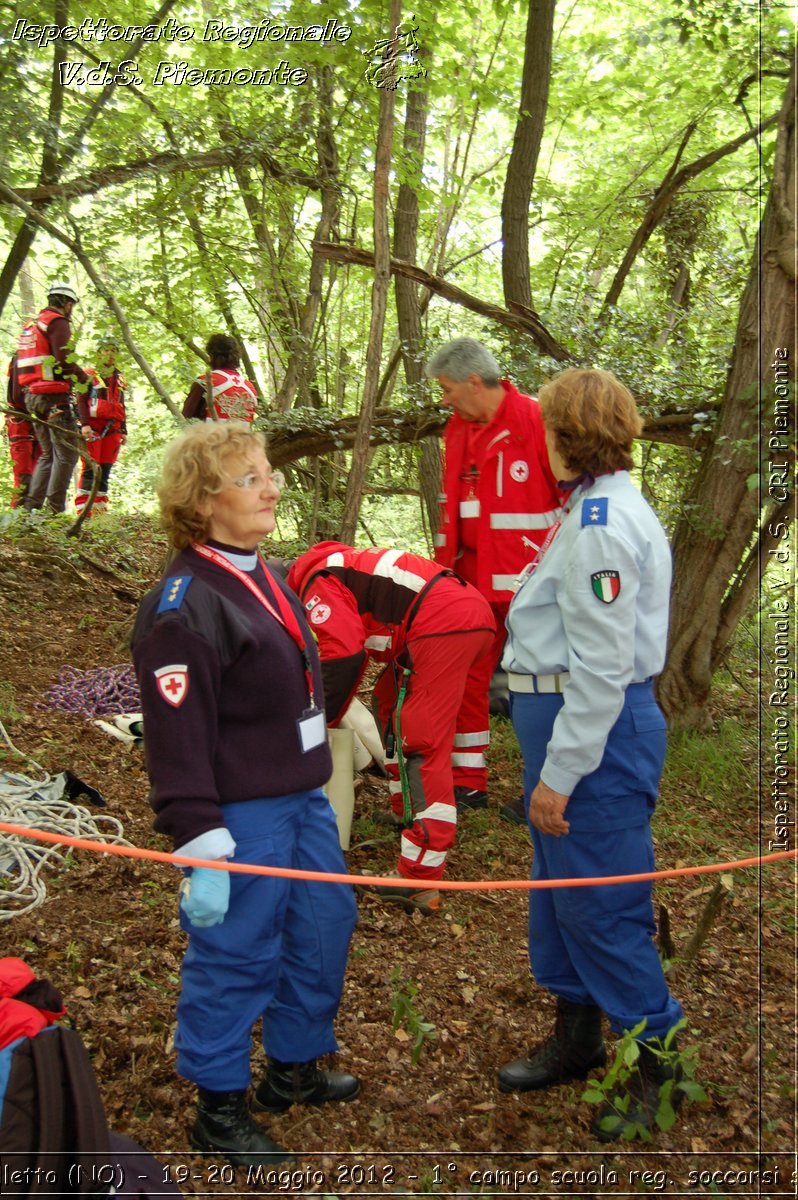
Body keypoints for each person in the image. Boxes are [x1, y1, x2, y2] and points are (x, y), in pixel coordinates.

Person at [131, 423, 359, 1168]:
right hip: (241, 815)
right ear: (203, 501)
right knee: (236, 952)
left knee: (322, 927)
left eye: (268, 473)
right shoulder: (183, 604)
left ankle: (291, 1069)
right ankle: (218, 1104)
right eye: (250, 478)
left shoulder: (265, 572)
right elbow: (176, 731)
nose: (273, 487)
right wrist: (199, 835)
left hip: (303, 797)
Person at [496, 367, 685, 1141]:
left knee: (603, 905)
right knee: (560, 895)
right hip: (567, 724)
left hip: (595, 735)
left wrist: (561, 774)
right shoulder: (586, 510)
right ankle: (577, 1035)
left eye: (543, 425)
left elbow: (604, 667)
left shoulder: (603, 521)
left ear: (567, 434)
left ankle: (658, 1068)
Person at [286, 543, 495, 916]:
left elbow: (345, 652)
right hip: (463, 614)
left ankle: (418, 877)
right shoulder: (337, 567)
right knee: (387, 701)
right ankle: (407, 812)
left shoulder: (315, 580)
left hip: (442, 620)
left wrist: (322, 723)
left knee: (420, 737)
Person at [425, 337, 561, 823]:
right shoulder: (458, 428)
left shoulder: (536, 419)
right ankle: (467, 783)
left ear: (475, 382)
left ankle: (544, 788)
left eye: (447, 389)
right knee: (466, 679)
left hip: (530, 588)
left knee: (538, 687)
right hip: (468, 586)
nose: (444, 399)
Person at [16, 281, 92, 513]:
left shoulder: (31, 326)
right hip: (53, 397)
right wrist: (82, 378)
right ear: (67, 304)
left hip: (32, 396)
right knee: (67, 455)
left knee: (48, 455)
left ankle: (32, 509)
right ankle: (55, 511)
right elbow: (64, 359)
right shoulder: (57, 323)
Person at [75, 336, 129, 514]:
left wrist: (123, 430)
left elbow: (122, 404)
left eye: (114, 351)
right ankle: (84, 511)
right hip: (93, 429)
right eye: (107, 350)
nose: (111, 354)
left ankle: (100, 511)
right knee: (91, 469)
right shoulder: (89, 374)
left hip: (113, 430)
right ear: (99, 353)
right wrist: (84, 425)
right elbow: (81, 401)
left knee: (105, 470)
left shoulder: (119, 378)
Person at [182, 334, 258, 422]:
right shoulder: (250, 388)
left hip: (210, 435)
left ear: (211, 356)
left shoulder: (204, 382)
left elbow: (185, 419)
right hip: (243, 435)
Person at [5, 354, 40, 508]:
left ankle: (32, 515)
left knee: (39, 474)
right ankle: (18, 517)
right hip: (20, 422)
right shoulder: (22, 357)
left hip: (38, 422)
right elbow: (16, 395)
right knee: (23, 476)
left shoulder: (45, 355)